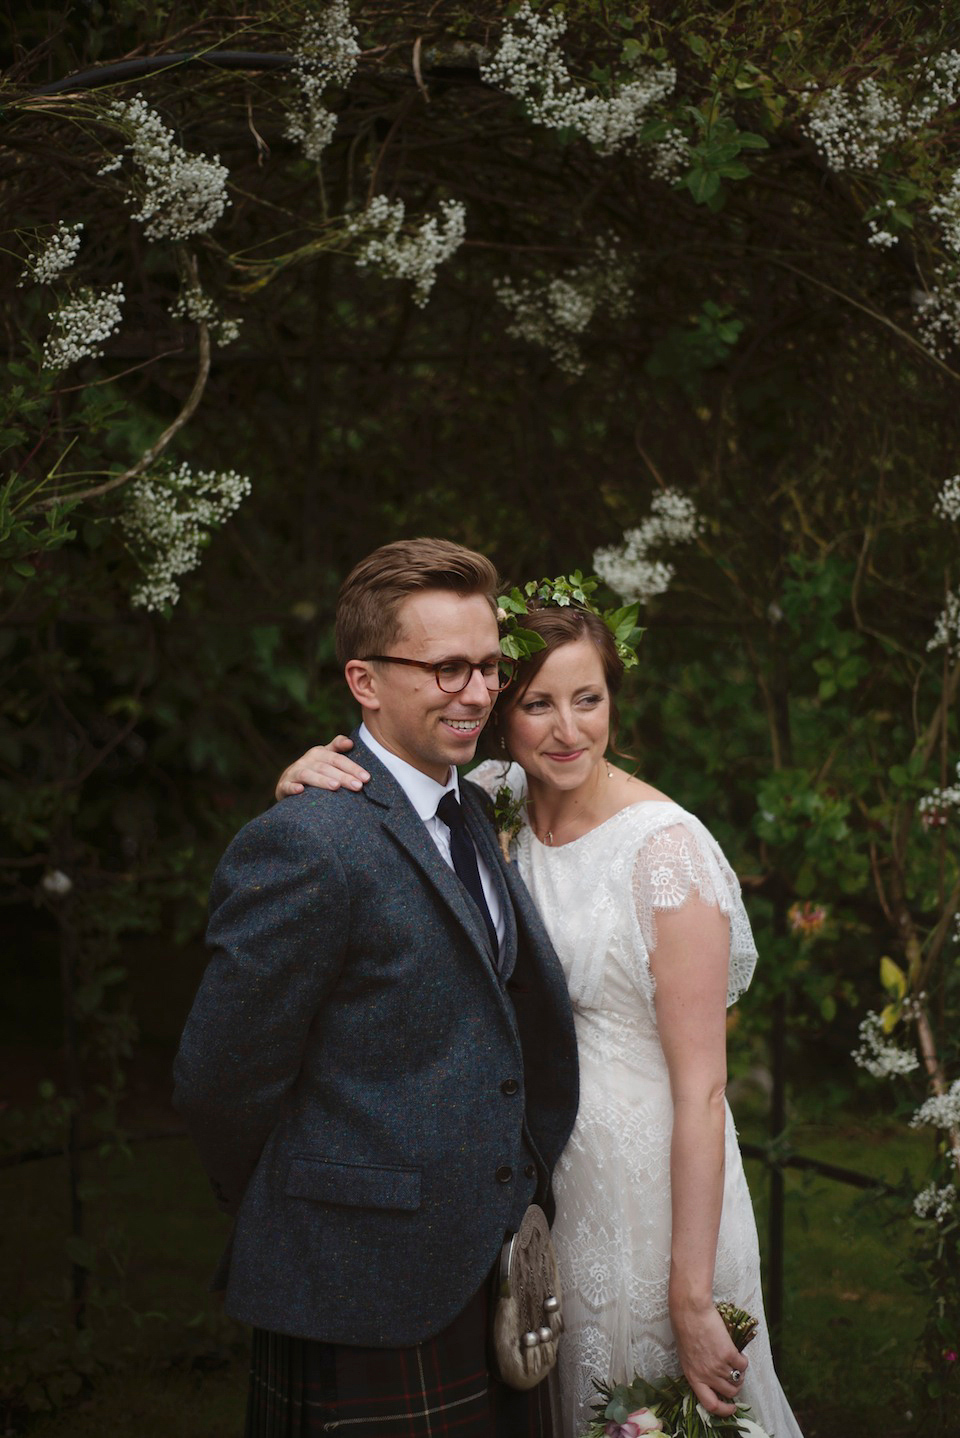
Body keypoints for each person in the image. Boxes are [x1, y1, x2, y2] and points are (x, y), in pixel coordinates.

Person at [278, 590, 804, 1438]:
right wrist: (305, 776)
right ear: (498, 714)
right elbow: (385, 810)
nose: (567, 730)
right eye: (538, 704)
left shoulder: (665, 854)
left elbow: (705, 1094)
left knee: (657, 1408)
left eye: (588, 699)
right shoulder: (491, 802)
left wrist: (691, 1291)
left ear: (614, 702)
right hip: (536, 1181)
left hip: (652, 1194)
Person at [173, 538, 579, 1438]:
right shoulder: (310, 840)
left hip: (490, 1265)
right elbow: (219, 1076)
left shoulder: (468, 807)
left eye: (487, 666)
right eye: (445, 669)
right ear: (364, 680)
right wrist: (307, 1202)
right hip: (359, 1279)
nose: (477, 693)